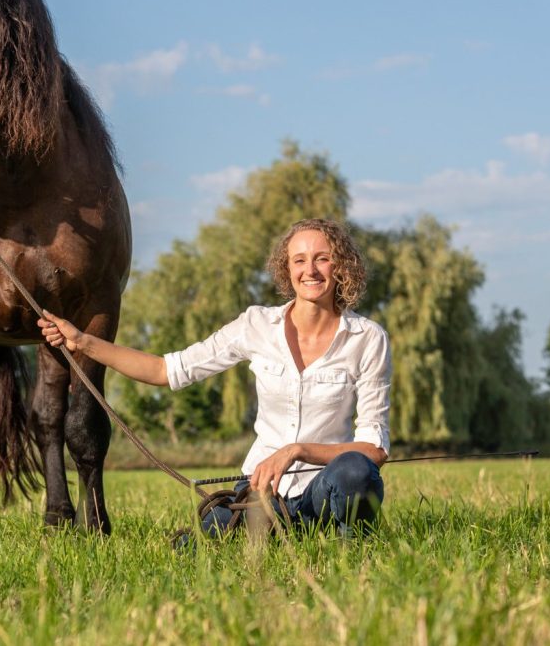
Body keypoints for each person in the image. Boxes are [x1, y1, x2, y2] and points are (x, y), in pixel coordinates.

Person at [38, 217, 391, 538]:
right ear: (287, 269)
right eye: (299, 260)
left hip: (324, 491)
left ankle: (349, 544)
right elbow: (167, 370)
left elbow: (373, 449)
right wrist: (83, 341)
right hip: (261, 492)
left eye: (322, 258)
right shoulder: (256, 325)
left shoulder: (367, 337)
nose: (310, 270)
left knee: (355, 473)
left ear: (340, 266)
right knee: (195, 544)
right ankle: (273, 532)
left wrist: (295, 451)